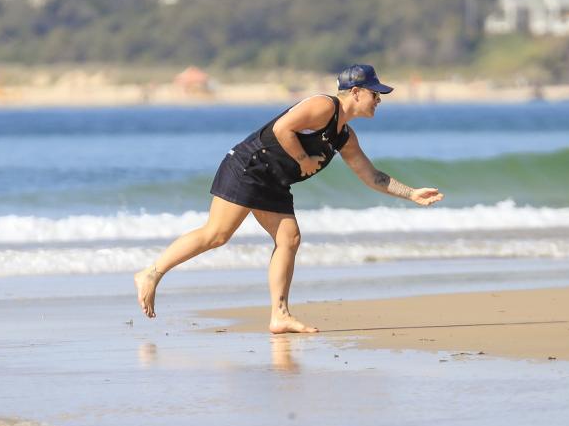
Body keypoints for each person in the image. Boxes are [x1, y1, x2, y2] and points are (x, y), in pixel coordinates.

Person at [134, 64, 444, 333]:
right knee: (217, 234)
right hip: (249, 166)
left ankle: (279, 315)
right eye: (375, 93)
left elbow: (371, 176)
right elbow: (283, 128)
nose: (378, 100)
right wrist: (302, 160)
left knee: (289, 238)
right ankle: (151, 273)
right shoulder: (324, 106)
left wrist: (412, 193)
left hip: (274, 180)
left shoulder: (344, 136)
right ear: (356, 92)